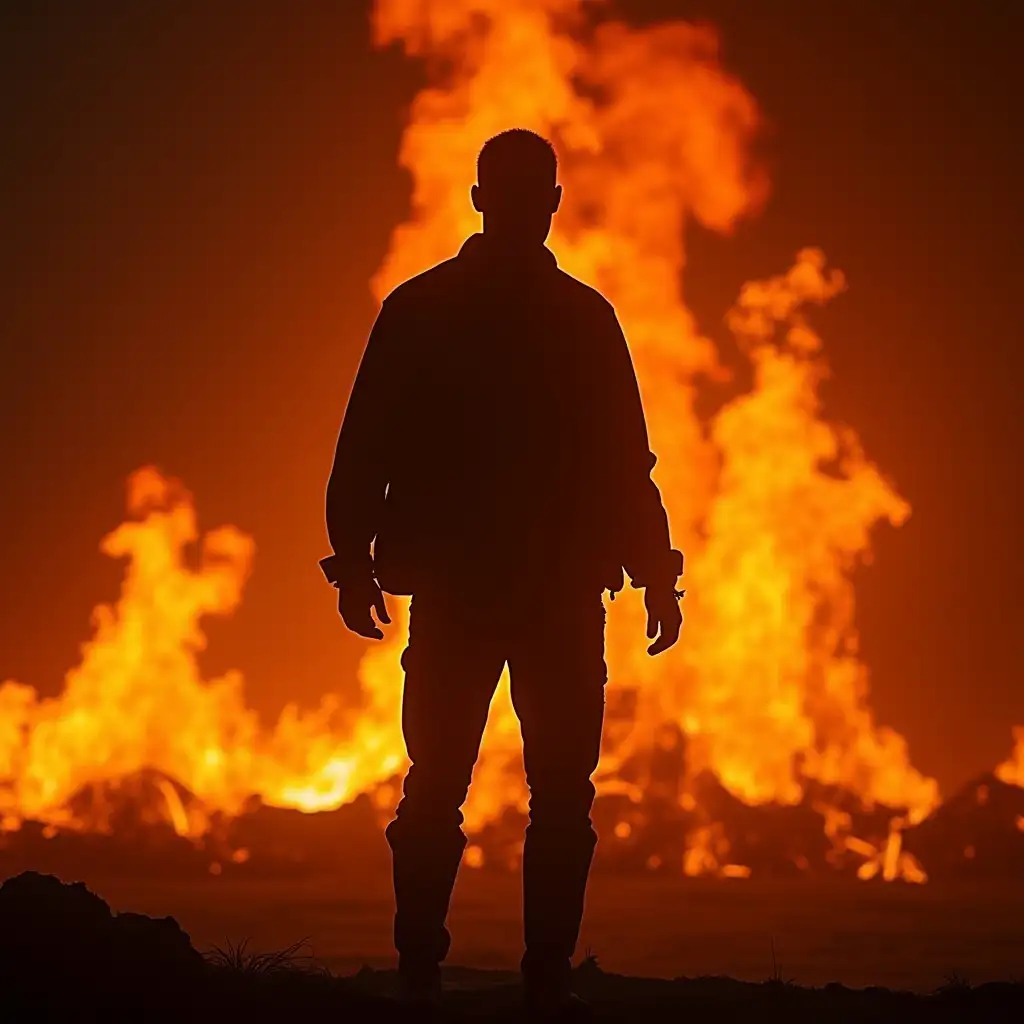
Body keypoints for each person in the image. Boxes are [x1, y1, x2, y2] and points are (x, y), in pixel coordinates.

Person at [321, 128, 683, 1018]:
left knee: (443, 790)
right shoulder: (583, 319)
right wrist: (657, 572)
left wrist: (355, 563)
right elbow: (626, 465)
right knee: (553, 798)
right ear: (545, 202)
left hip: (470, 588)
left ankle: (422, 976)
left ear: (481, 199)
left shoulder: (423, 309)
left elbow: (362, 448)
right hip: (548, 592)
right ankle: (541, 981)